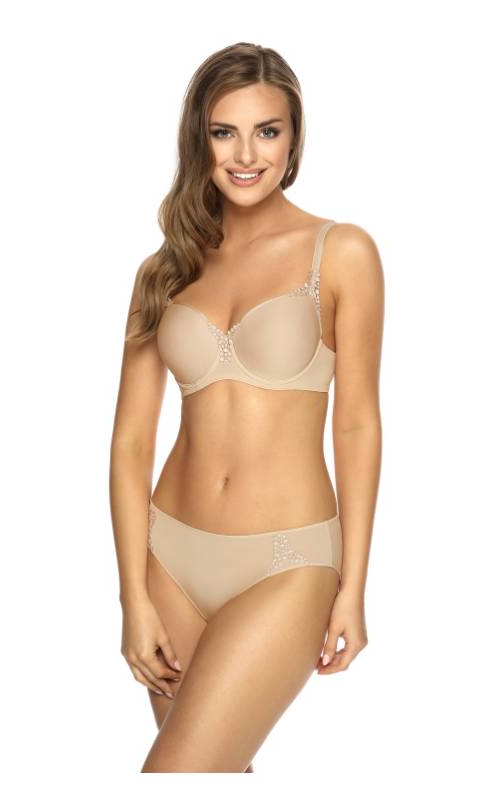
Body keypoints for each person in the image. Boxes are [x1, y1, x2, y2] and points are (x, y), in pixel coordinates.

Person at [109, 42, 384, 773]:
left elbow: (358, 423)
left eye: (267, 131)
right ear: (198, 139)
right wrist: (132, 594)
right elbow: (131, 442)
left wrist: (354, 585)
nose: (245, 154)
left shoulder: (342, 252)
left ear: (294, 140)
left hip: (287, 563)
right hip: (169, 559)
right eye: (223, 132)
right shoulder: (165, 269)